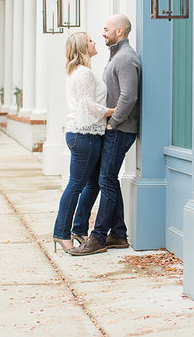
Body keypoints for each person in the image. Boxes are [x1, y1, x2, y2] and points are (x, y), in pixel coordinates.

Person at [70, 14, 140, 255]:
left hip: (119, 130)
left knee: (106, 181)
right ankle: (118, 234)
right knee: (108, 180)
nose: (102, 33)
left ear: (119, 31)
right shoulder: (116, 57)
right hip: (114, 128)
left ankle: (98, 237)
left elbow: (128, 96)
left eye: (106, 29)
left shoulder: (125, 58)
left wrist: (113, 122)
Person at [52, 31, 114, 255]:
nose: (94, 41)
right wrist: (112, 111)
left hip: (87, 134)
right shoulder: (84, 73)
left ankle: (79, 228)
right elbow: (87, 106)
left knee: (93, 183)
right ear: (82, 48)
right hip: (84, 135)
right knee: (77, 185)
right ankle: (61, 232)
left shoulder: (78, 72)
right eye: (89, 40)